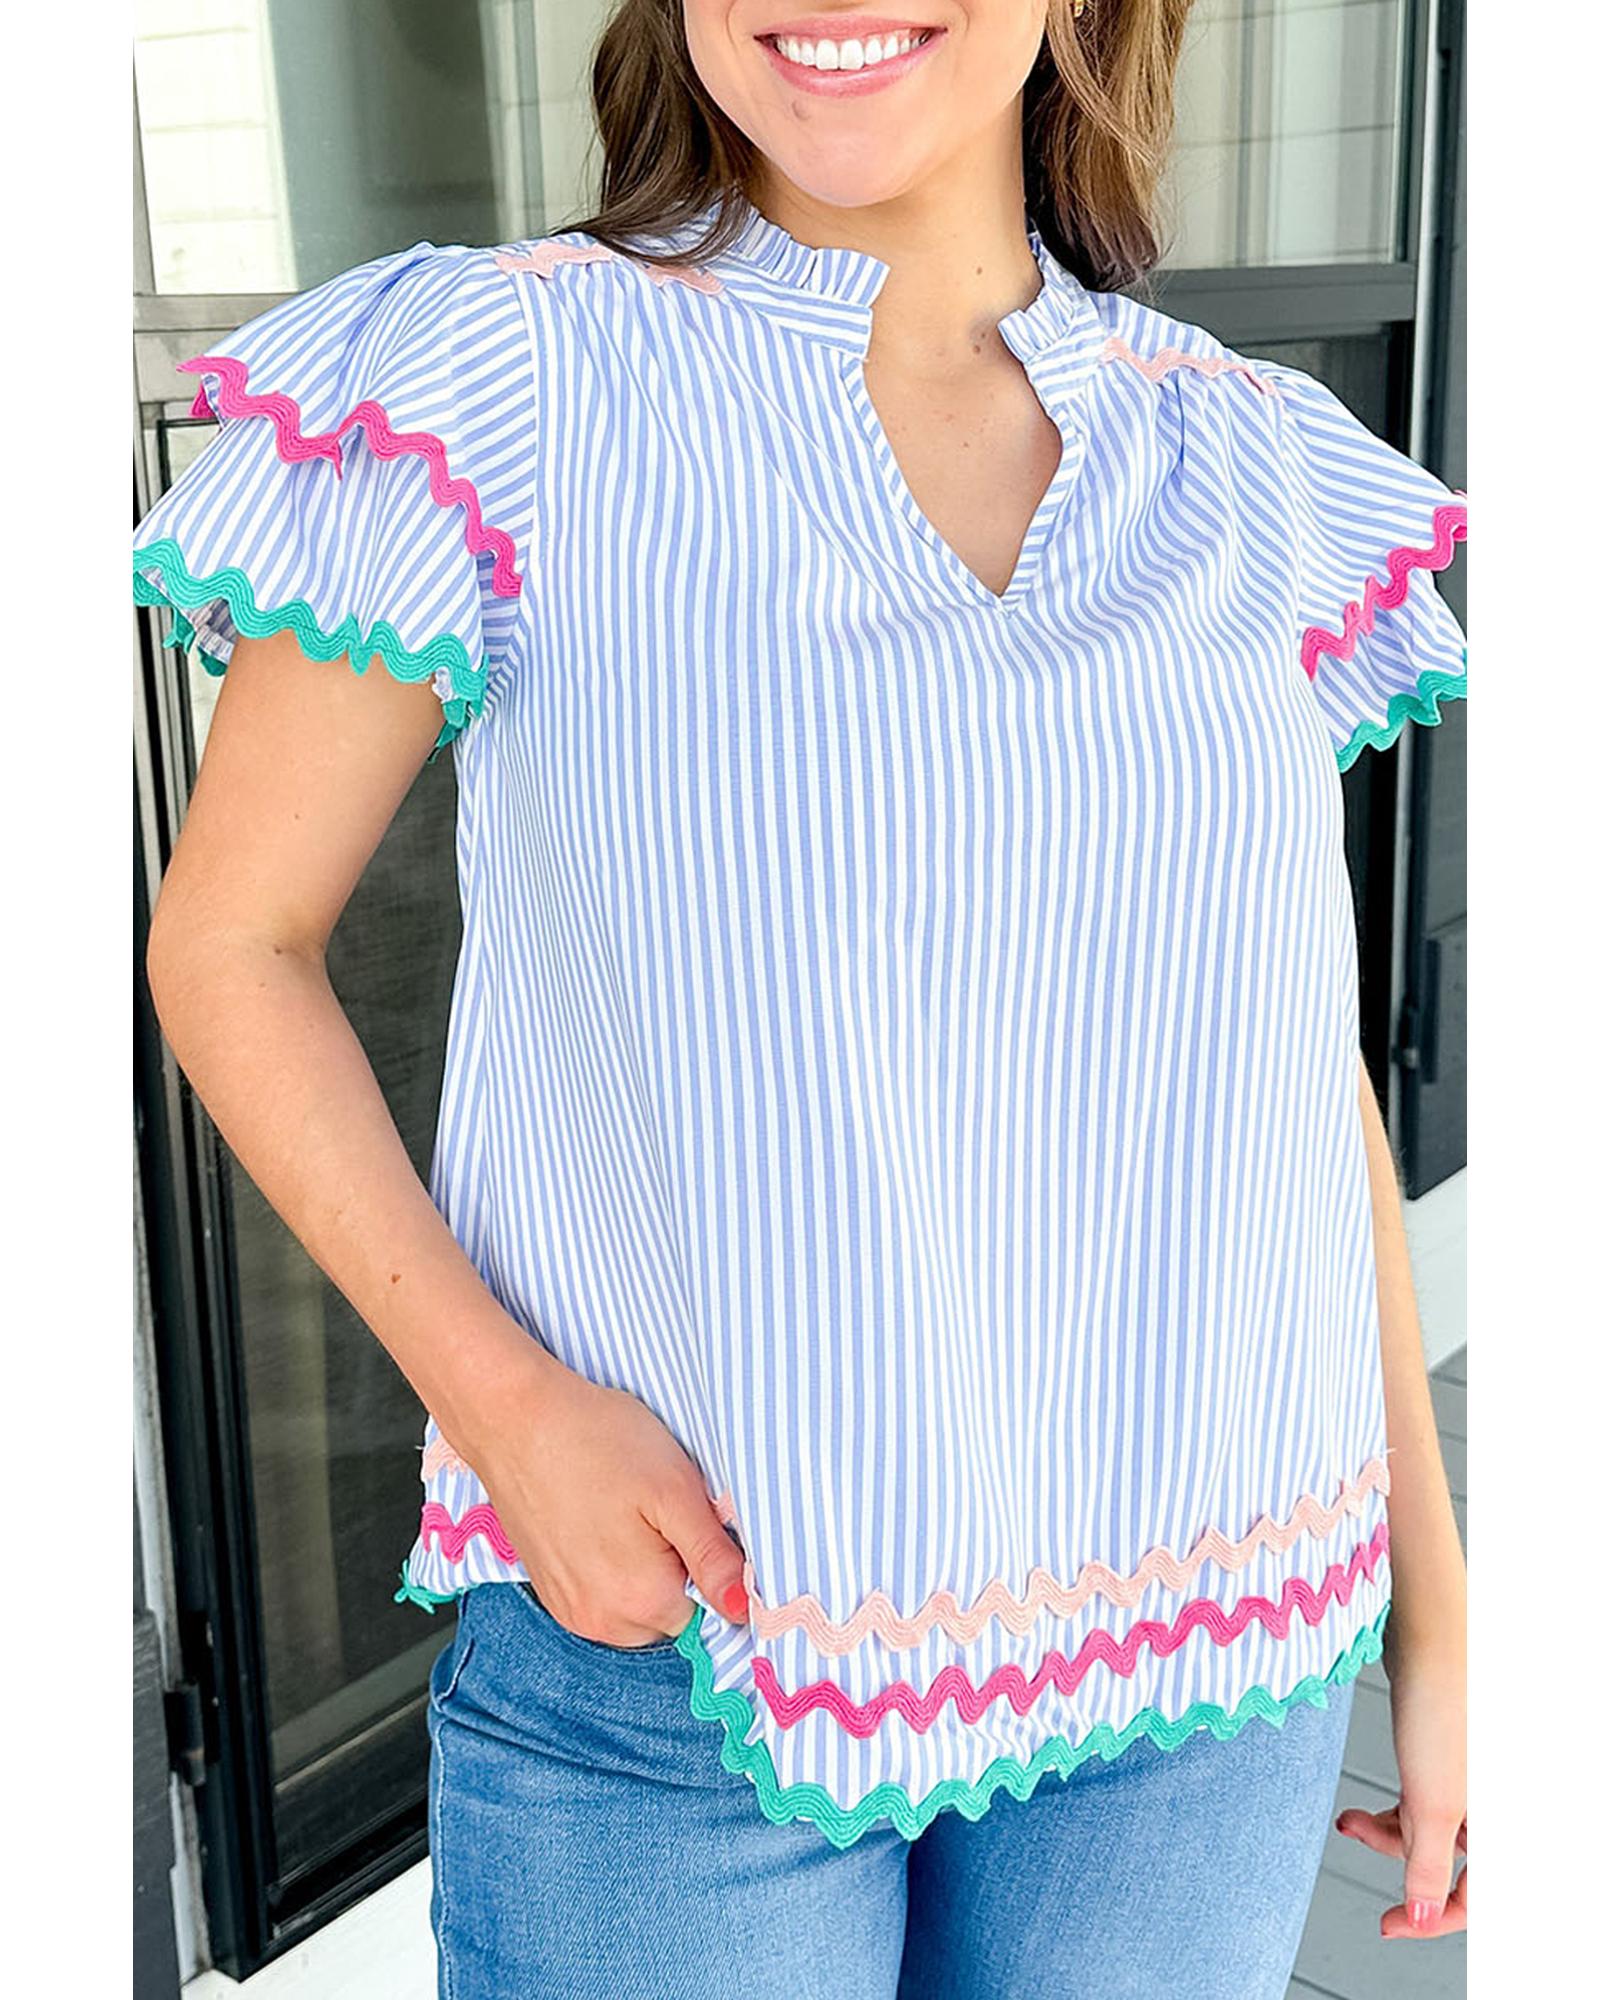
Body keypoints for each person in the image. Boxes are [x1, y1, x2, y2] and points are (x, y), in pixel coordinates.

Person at [135, 3, 1469, 1994]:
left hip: (1215, 1636)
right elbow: (230, 945)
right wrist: (506, 1410)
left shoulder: (1251, 459)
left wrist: (1434, 1610)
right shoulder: (502, 375)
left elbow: (1282, 1063)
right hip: (686, 1642)